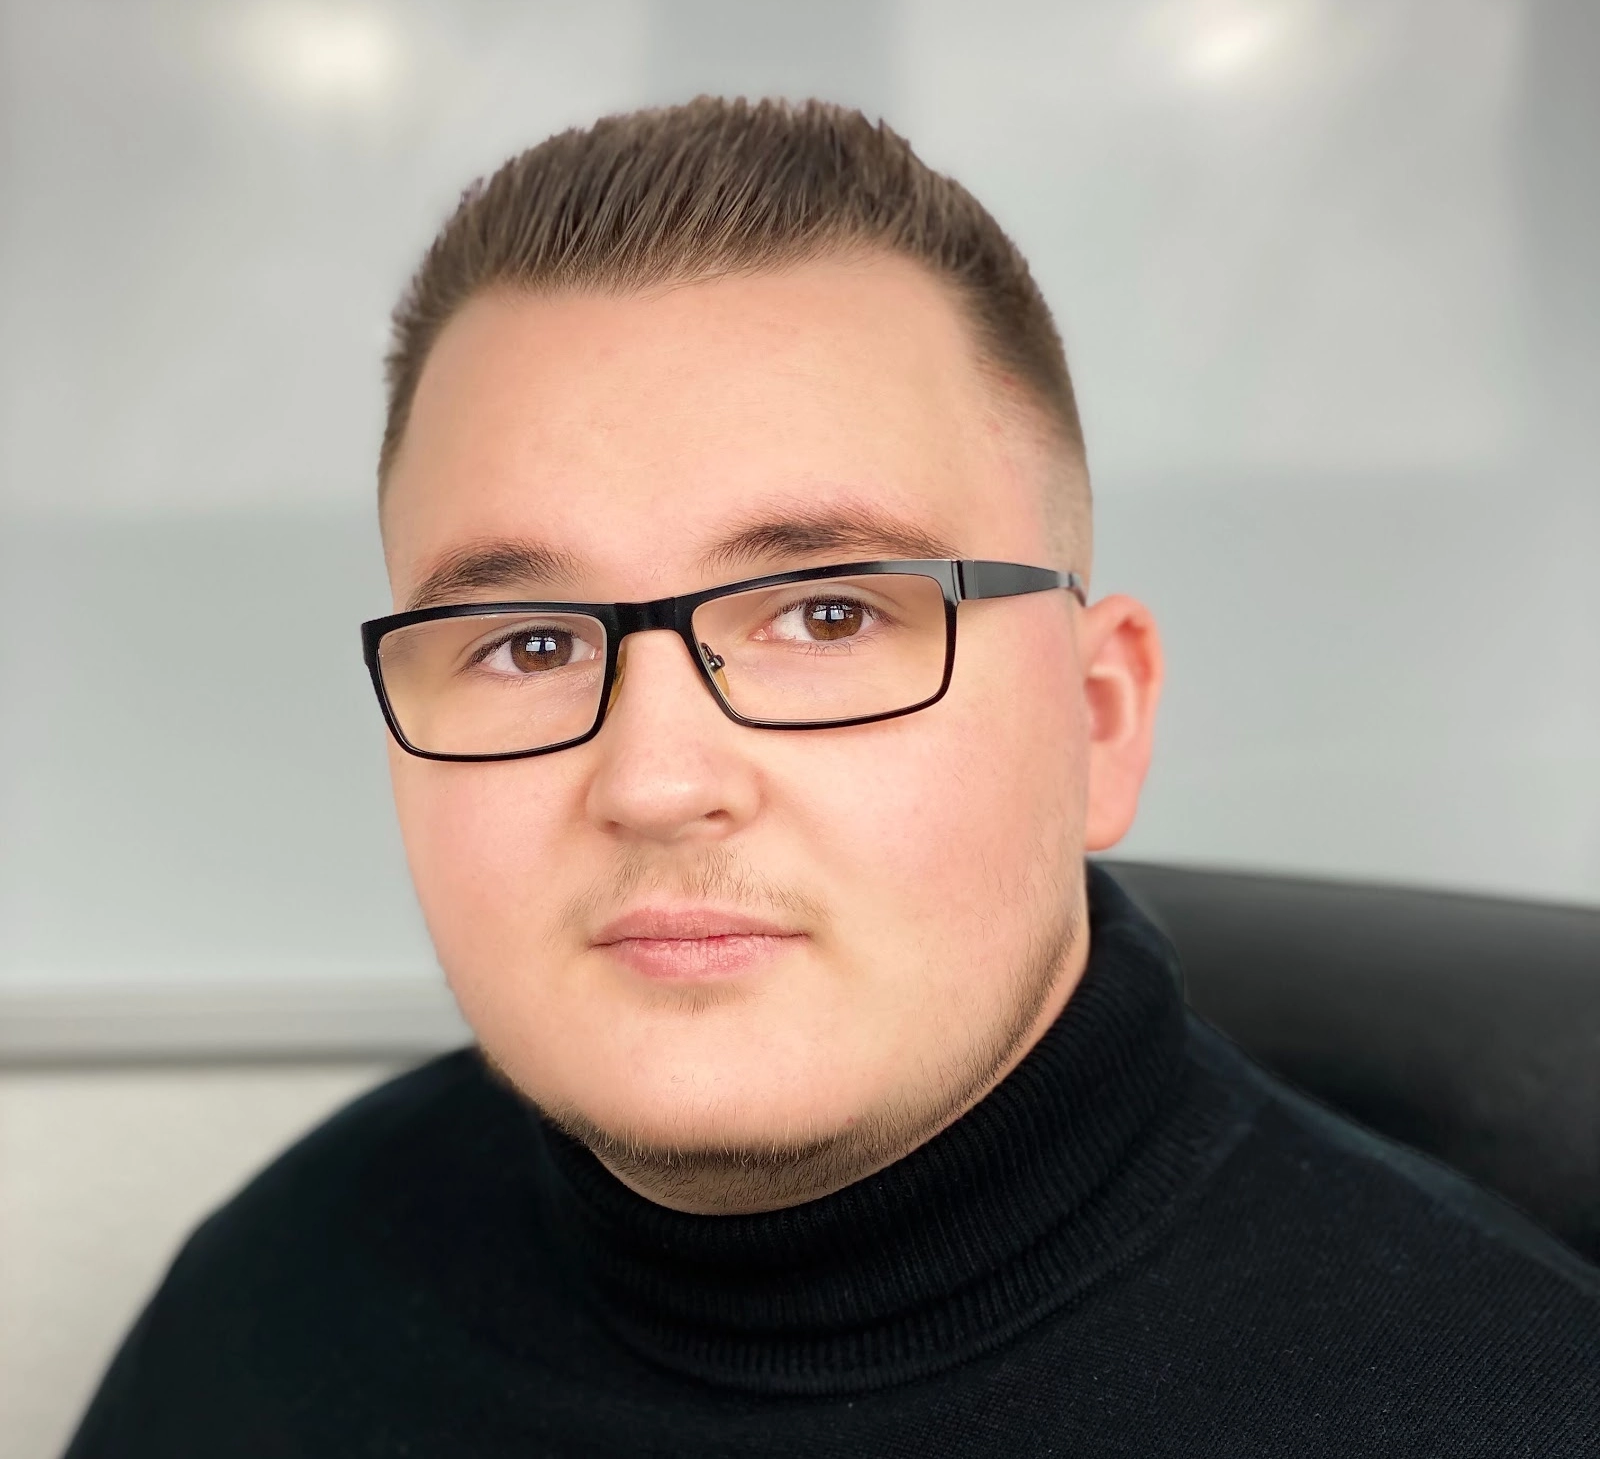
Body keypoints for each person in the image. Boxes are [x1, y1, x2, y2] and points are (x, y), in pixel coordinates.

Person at [68, 98, 1598, 1457]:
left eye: (826, 617)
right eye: (528, 644)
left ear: (1100, 720)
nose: (655, 779)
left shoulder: (1512, 1406)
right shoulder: (281, 1291)